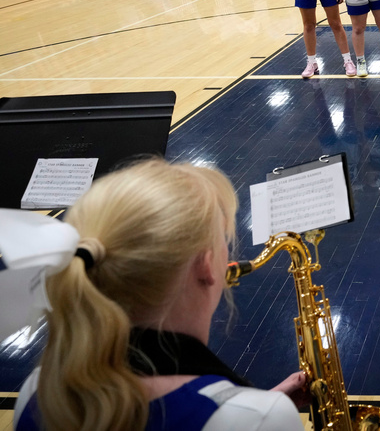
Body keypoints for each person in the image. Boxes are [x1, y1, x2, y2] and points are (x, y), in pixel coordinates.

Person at [9, 160, 308, 431]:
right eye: (223, 239)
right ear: (205, 264)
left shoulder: (36, 392)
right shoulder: (256, 420)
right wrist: (260, 415)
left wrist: (249, 409)